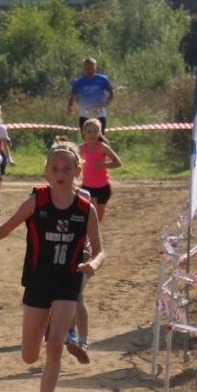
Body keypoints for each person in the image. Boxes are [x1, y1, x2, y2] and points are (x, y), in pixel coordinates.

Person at [0, 138, 105, 392]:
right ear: (46, 171)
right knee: (29, 355)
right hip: (38, 282)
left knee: (55, 345)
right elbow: (4, 229)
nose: (60, 173)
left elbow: (101, 250)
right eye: (55, 168)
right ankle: (50, 326)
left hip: (67, 282)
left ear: (77, 171)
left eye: (67, 169)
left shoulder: (85, 208)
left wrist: (94, 264)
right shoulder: (37, 201)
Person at [66, 118, 122, 363]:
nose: (91, 133)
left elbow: (118, 162)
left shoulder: (101, 147)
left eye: (95, 130)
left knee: (95, 220)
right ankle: (66, 333)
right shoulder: (47, 197)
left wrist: (103, 164)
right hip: (88, 187)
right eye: (88, 130)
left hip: (99, 189)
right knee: (68, 296)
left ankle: (78, 338)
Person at [67, 57, 115, 134]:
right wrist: (70, 108)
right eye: (87, 68)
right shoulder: (78, 82)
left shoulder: (102, 79)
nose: (90, 70)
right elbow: (72, 97)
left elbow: (112, 93)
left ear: (95, 67)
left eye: (92, 68)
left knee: (100, 138)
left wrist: (107, 102)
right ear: (83, 68)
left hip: (99, 115)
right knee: (86, 138)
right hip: (84, 115)